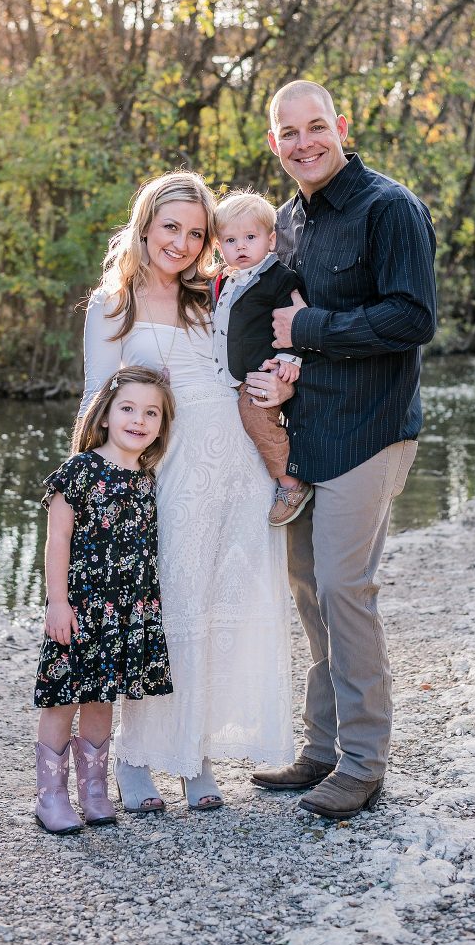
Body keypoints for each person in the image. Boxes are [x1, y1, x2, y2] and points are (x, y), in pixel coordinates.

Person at [249, 79, 438, 819]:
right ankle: (321, 746)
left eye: (316, 126)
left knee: (343, 589)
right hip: (309, 431)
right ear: (274, 144)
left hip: (372, 427)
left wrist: (311, 331)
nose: (304, 142)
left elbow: (412, 317)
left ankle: (363, 761)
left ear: (342, 126)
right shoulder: (289, 220)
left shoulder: (389, 208)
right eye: (288, 132)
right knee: (307, 588)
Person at [79, 170, 294, 813]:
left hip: (234, 469)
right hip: (168, 471)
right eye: (170, 226)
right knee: (164, 614)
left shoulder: (214, 293)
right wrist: (95, 490)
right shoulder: (111, 304)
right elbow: (98, 398)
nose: (182, 242)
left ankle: (197, 757)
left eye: (196, 232)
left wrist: (281, 386)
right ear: (145, 224)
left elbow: (257, 352)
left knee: (214, 615)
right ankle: (138, 757)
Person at [34, 365, 176, 835]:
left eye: (151, 412)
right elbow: (57, 542)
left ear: (161, 424)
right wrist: (57, 602)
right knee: (62, 700)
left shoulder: (148, 480)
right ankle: (50, 797)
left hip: (125, 611)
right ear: (106, 414)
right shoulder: (78, 472)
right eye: (128, 408)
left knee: (101, 701)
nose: (139, 419)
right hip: (78, 608)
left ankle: (93, 792)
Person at [212, 191, 313, 526]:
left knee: (256, 418)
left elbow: (296, 319)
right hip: (233, 374)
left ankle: (291, 485)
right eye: (230, 240)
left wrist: (289, 358)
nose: (240, 246)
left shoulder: (278, 278)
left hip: (263, 374)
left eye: (250, 238)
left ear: (271, 241)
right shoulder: (225, 280)